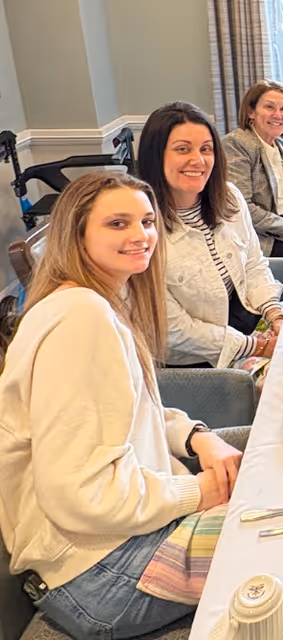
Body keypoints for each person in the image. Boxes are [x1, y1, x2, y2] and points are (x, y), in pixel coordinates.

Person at [0, 172, 241, 639]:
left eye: (148, 221)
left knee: (278, 460)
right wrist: (199, 494)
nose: (140, 235)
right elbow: (79, 493)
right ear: (77, 233)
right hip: (97, 576)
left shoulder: (96, 299)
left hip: (118, 539)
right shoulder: (80, 319)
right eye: (117, 223)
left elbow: (134, 409)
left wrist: (197, 436)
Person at [138, 102, 283, 368]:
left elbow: (253, 263)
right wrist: (258, 347)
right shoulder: (141, 229)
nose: (199, 160)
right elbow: (174, 331)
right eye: (183, 149)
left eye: (206, 149)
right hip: (202, 363)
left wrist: (274, 313)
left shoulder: (229, 198)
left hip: (246, 323)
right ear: (155, 155)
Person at [224, 80, 283, 258]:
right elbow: (243, 207)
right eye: (269, 107)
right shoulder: (237, 144)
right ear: (251, 112)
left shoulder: (281, 145)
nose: (278, 115)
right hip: (260, 239)